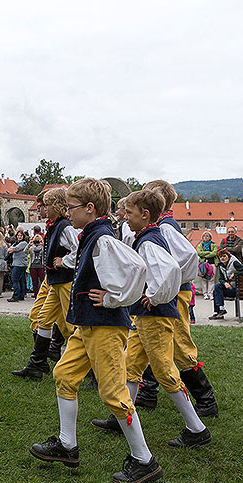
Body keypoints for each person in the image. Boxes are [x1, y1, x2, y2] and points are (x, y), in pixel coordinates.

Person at [29, 178, 162, 483]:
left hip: (104, 327)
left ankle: (144, 460)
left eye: (71, 207)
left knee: (114, 394)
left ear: (89, 209)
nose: (67, 212)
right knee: (64, 375)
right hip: (87, 325)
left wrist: (113, 299)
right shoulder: (91, 235)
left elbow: (137, 270)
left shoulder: (102, 238)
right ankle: (67, 444)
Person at [90, 189, 211, 449]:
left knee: (165, 371)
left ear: (145, 215)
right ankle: (121, 415)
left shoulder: (148, 241)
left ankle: (196, 427)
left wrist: (154, 296)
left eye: (130, 214)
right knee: (131, 366)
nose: (127, 218)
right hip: (144, 316)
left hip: (155, 316)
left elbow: (169, 271)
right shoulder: (147, 236)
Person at [136, 180, 219, 418]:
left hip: (175, 293)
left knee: (181, 344)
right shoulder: (159, 225)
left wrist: (170, 284)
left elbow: (189, 256)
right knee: (144, 342)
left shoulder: (166, 227)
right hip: (167, 291)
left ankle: (206, 400)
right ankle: (147, 391)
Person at [13, 188, 78, 381]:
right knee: (43, 319)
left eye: (47, 205)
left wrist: (63, 261)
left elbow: (78, 249)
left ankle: (91, 368)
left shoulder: (64, 226)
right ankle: (37, 363)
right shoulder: (55, 225)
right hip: (56, 282)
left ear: (57, 206)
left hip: (65, 282)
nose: (43, 209)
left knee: (71, 326)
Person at [209, 248, 243, 320]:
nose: (222, 258)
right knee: (216, 289)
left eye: (224, 256)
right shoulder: (221, 265)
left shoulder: (234, 262)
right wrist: (224, 283)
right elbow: (221, 278)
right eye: (221, 256)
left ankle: (220, 311)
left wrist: (235, 273)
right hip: (230, 287)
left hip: (238, 289)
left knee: (216, 289)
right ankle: (221, 310)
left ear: (228, 256)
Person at [7, 231, 28, 302]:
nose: (19, 237)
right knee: (20, 280)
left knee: (15, 280)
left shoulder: (23, 243)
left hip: (19, 264)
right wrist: (11, 249)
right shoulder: (16, 243)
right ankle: (21, 295)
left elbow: (14, 249)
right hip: (17, 263)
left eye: (21, 235)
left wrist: (12, 249)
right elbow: (9, 249)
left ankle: (16, 296)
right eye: (18, 235)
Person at [27, 234, 45, 299]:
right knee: (34, 282)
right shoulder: (31, 248)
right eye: (35, 241)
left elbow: (48, 251)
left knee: (43, 281)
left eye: (38, 241)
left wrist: (43, 244)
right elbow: (25, 251)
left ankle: (43, 295)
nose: (37, 243)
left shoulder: (43, 248)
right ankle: (36, 295)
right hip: (33, 266)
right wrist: (29, 244)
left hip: (41, 266)